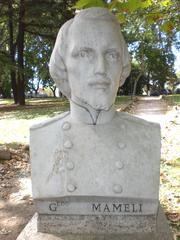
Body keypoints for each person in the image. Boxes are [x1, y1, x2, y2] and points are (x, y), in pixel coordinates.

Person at [30, 8, 160, 212]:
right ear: (62, 65)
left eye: (111, 55)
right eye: (84, 53)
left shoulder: (148, 135)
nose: (101, 68)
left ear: (123, 67)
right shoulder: (42, 136)